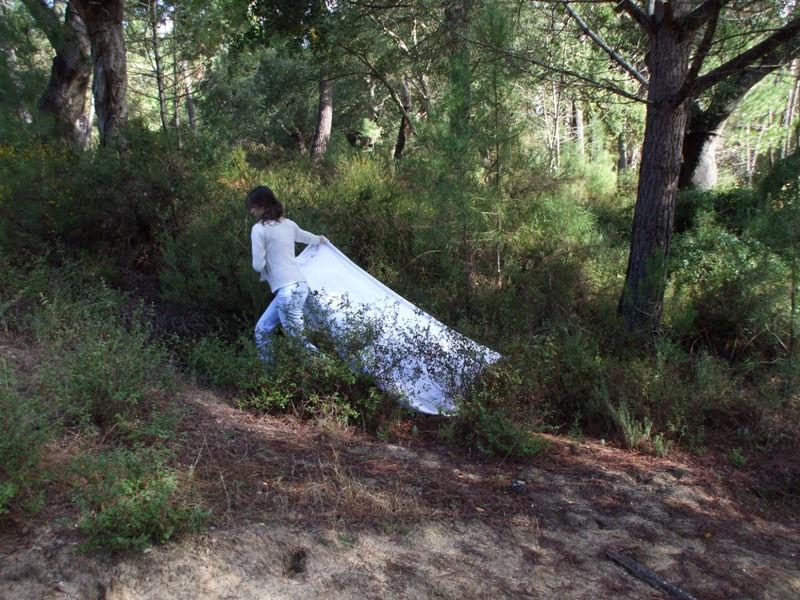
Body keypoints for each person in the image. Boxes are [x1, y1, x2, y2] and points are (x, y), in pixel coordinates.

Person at [246, 185, 327, 361]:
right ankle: (269, 377)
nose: (252, 211)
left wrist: (266, 258)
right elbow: (310, 238)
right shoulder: (288, 224)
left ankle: (333, 371)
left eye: (253, 206)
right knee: (262, 329)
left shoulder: (258, 229)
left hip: (287, 291)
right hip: (299, 286)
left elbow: (258, 266)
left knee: (298, 342)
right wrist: (322, 240)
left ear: (263, 205)